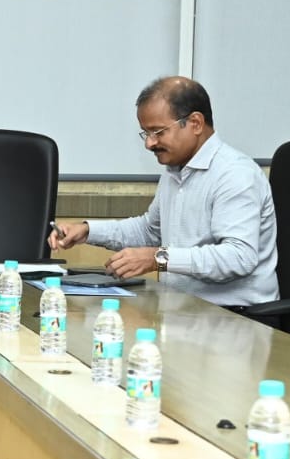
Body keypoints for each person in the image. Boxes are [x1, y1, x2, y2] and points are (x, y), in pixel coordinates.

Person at [49, 76, 278, 309]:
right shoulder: (175, 171)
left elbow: (238, 257)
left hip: (237, 315)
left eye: (158, 132)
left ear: (195, 123)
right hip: (183, 310)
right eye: (145, 133)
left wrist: (157, 258)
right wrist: (88, 230)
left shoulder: (235, 174)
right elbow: (150, 231)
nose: (149, 143)